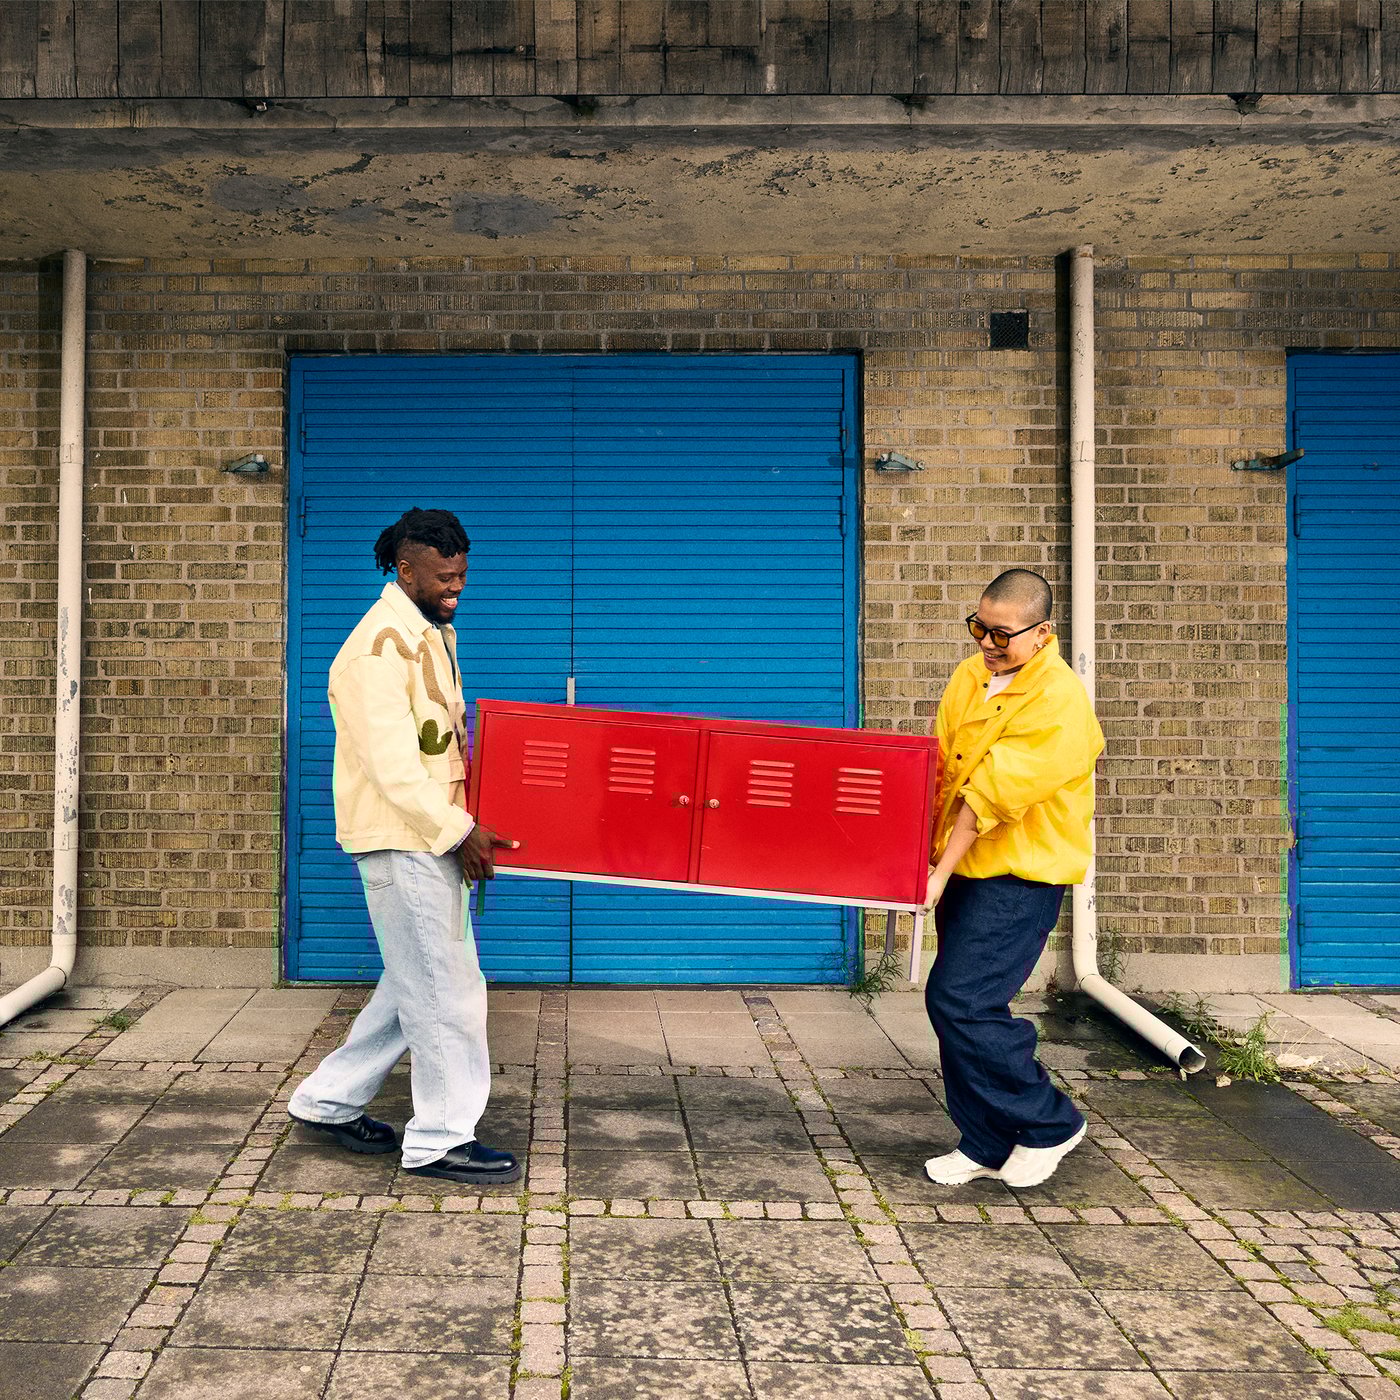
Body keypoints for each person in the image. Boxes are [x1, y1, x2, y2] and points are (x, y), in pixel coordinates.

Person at [288, 508, 521, 1185]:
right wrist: (460, 831)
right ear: (404, 568)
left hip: (428, 835)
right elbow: (394, 770)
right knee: (447, 993)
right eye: (444, 577)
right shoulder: (375, 651)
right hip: (405, 840)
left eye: (463, 575)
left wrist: (464, 820)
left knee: (409, 983)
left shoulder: (428, 633)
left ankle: (328, 1102)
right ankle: (440, 1139)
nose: (457, 587)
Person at [921, 568, 1104, 1189]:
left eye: (1001, 633)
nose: (987, 643)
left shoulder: (1058, 697)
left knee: (963, 1001)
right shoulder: (971, 677)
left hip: (1021, 873)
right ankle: (986, 1140)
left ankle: (1050, 1122)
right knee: (955, 1004)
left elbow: (990, 795)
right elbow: (944, 769)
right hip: (968, 865)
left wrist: (937, 875)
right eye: (979, 627)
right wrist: (925, 852)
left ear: (1042, 630)